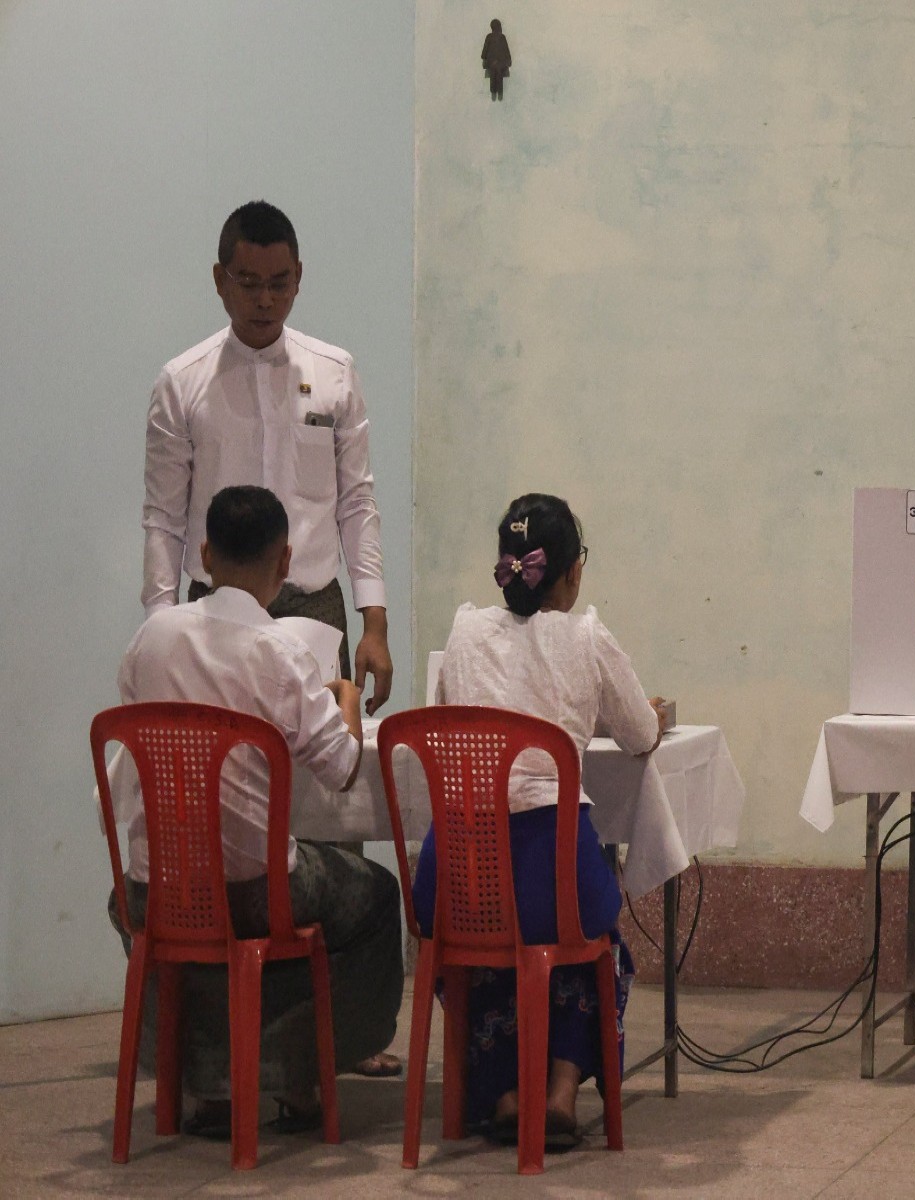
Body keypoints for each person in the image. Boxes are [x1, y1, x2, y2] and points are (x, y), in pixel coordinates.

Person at [108, 486, 405, 1137]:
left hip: (152, 889)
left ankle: (206, 1082)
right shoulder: (280, 652)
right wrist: (343, 699)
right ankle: (302, 1076)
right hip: (252, 893)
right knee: (372, 896)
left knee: (163, 917)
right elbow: (340, 768)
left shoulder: (151, 637)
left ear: (206, 555)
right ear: (286, 561)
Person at [411, 493, 666, 1150]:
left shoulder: (464, 631)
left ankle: (501, 1093)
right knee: (594, 940)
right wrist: (652, 714)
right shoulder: (585, 636)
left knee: (481, 951)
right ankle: (560, 1092)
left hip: (455, 878)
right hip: (546, 870)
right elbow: (640, 734)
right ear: (573, 571)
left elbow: (447, 714)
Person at [142, 200, 393, 717]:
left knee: (322, 760)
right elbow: (164, 517)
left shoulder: (335, 373)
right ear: (220, 280)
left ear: (299, 277)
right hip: (212, 606)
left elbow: (356, 502)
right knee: (219, 751)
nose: (265, 300)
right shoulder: (181, 382)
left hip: (314, 603)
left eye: (280, 283)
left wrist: (375, 622)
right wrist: (159, 627)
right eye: (249, 283)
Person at [482, 19, 512, 100]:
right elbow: (506, 50)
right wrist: (509, 60)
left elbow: (485, 50)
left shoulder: (488, 37)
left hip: (491, 63)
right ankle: (500, 95)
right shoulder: (502, 37)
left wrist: (484, 59)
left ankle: (493, 94)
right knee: (499, 76)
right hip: (501, 63)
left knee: (493, 76)